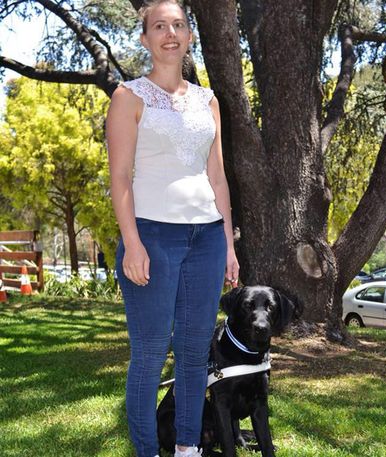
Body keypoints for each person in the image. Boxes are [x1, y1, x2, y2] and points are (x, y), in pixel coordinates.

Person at [106, 1, 239, 456]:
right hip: (152, 235)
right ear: (145, 39)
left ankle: (187, 448)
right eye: (159, 26)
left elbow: (217, 176)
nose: (170, 33)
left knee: (194, 350)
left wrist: (228, 246)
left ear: (189, 36)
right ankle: (146, 451)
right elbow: (120, 178)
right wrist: (132, 244)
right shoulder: (128, 96)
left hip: (205, 236)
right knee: (149, 352)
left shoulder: (207, 100)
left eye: (178, 25)